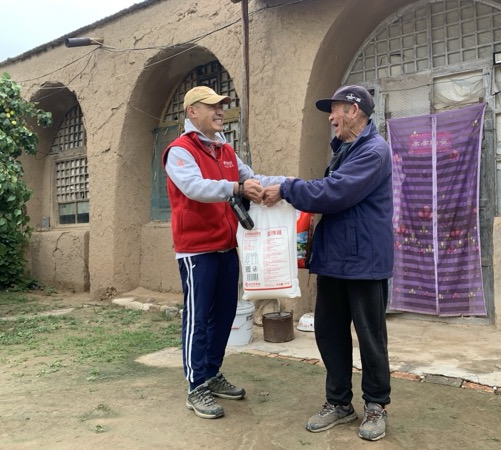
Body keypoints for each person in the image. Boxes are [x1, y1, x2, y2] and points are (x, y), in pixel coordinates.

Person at [261, 85, 393, 441]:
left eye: (335, 110)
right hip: (336, 259)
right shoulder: (345, 151)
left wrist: (287, 188)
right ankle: (339, 403)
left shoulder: (373, 151)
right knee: (329, 333)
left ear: (353, 110)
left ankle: (376, 404)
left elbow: (335, 192)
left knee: (370, 337)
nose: (331, 118)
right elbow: (329, 191)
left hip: (364, 261)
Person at [162, 85, 286, 419]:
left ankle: (212, 373)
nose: (220, 111)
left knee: (224, 315)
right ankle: (195, 386)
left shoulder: (225, 149)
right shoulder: (180, 151)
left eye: (222, 106)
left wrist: (289, 184)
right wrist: (235, 187)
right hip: (196, 251)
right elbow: (194, 187)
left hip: (227, 247)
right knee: (198, 319)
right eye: (212, 106)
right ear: (192, 112)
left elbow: (252, 178)